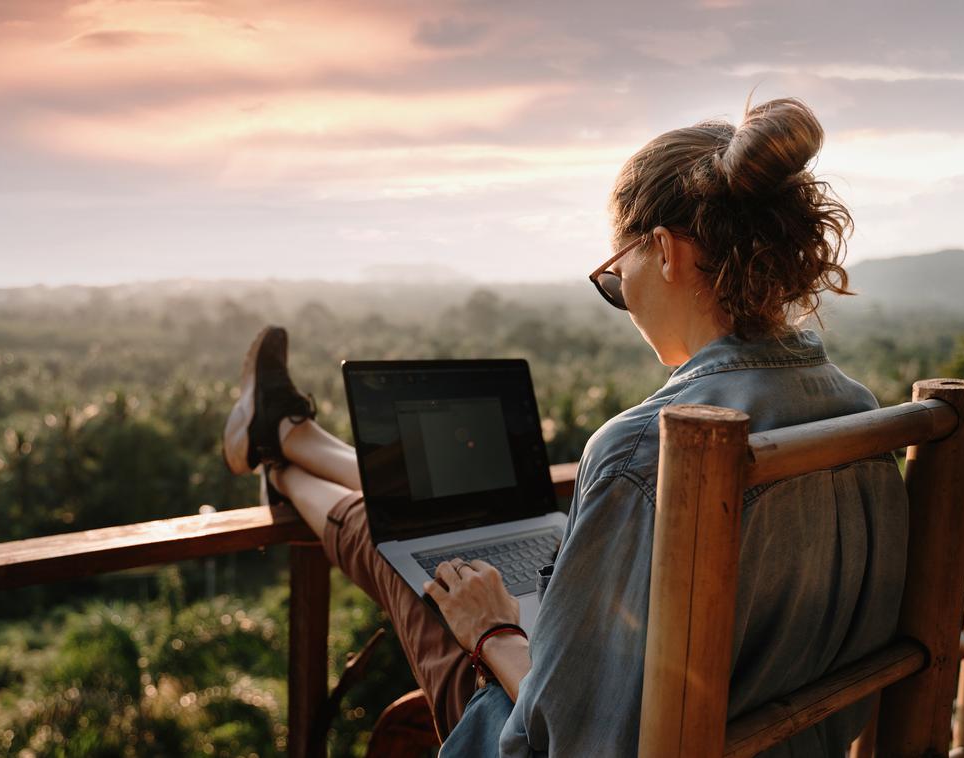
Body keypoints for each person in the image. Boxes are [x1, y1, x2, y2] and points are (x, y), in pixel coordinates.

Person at [222, 97, 908, 757]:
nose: (623, 297)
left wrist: (491, 630)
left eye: (616, 276)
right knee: (436, 527)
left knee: (410, 553)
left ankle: (280, 457)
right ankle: (288, 440)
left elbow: (574, 740)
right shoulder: (860, 414)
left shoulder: (646, 451)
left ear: (665, 251)